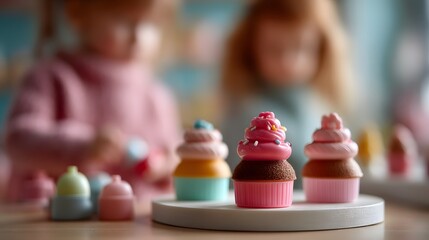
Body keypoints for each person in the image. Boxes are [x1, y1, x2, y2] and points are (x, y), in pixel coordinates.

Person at [5, 0, 181, 202]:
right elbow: (18, 141)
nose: (139, 37)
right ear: (77, 13)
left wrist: (169, 164)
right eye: (125, 21)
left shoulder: (157, 95)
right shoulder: (50, 78)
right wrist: (84, 148)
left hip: (137, 227)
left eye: (152, 24)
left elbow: (172, 153)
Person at [220, 0, 355, 188]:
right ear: (250, 49)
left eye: (302, 47)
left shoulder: (319, 108)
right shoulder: (247, 115)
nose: (288, 62)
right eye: (274, 49)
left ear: (323, 49)